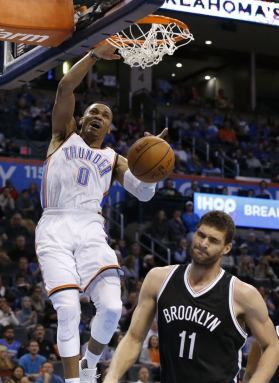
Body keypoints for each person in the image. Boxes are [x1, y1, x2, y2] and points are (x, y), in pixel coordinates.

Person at [35, 43, 166, 383]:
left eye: (104, 115)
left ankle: (90, 364)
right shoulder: (63, 136)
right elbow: (65, 87)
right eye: (92, 112)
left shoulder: (115, 159)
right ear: (80, 118)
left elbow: (144, 192)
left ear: (110, 128)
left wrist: (154, 170)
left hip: (91, 228)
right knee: (67, 309)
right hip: (55, 224)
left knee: (111, 309)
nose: (97, 116)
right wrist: (93, 56)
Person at [103, 211, 279, 383]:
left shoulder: (241, 294)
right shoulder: (158, 279)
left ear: (227, 248)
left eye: (213, 240)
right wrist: (112, 376)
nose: (203, 243)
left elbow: (272, 345)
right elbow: (134, 337)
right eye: (201, 235)